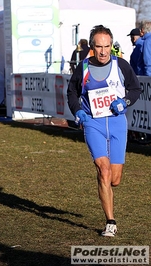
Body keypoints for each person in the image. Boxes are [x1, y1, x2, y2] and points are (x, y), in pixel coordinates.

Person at [67, 25, 142, 237]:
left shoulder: (122, 65)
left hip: (117, 123)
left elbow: (136, 89)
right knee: (104, 170)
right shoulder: (83, 68)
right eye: (98, 47)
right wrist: (78, 111)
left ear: (111, 46)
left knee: (115, 179)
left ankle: (105, 185)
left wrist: (124, 101)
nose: (103, 51)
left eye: (107, 47)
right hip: (93, 123)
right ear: (92, 47)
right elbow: (72, 92)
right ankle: (110, 221)